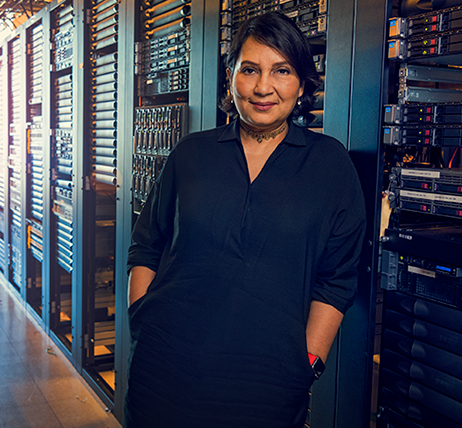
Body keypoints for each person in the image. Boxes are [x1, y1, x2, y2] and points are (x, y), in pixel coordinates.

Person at [125, 11, 366, 428]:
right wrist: (142, 319)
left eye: (282, 71)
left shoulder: (329, 165)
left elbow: (338, 278)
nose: (262, 87)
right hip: (165, 368)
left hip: (268, 383)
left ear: (303, 83)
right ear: (231, 75)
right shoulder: (191, 154)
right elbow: (146, 244)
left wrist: (306, 361)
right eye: (249, 69)